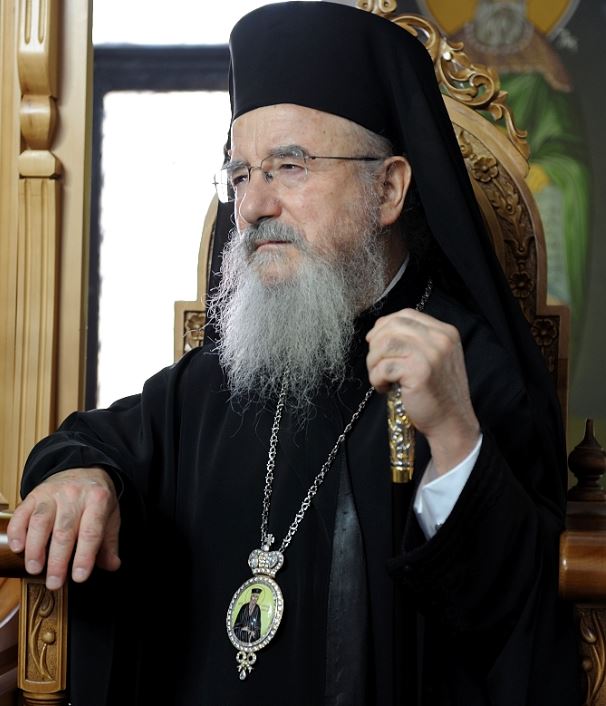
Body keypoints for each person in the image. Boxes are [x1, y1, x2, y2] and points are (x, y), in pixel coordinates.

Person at [7, 3, 581, 705]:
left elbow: (522, 628)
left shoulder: (476, 374)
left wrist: (458, 441)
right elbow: (94, 441)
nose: (253, 206)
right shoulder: (224, 374)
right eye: (240, 175)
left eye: (288, 166)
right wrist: (81, 477)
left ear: (389, 189)